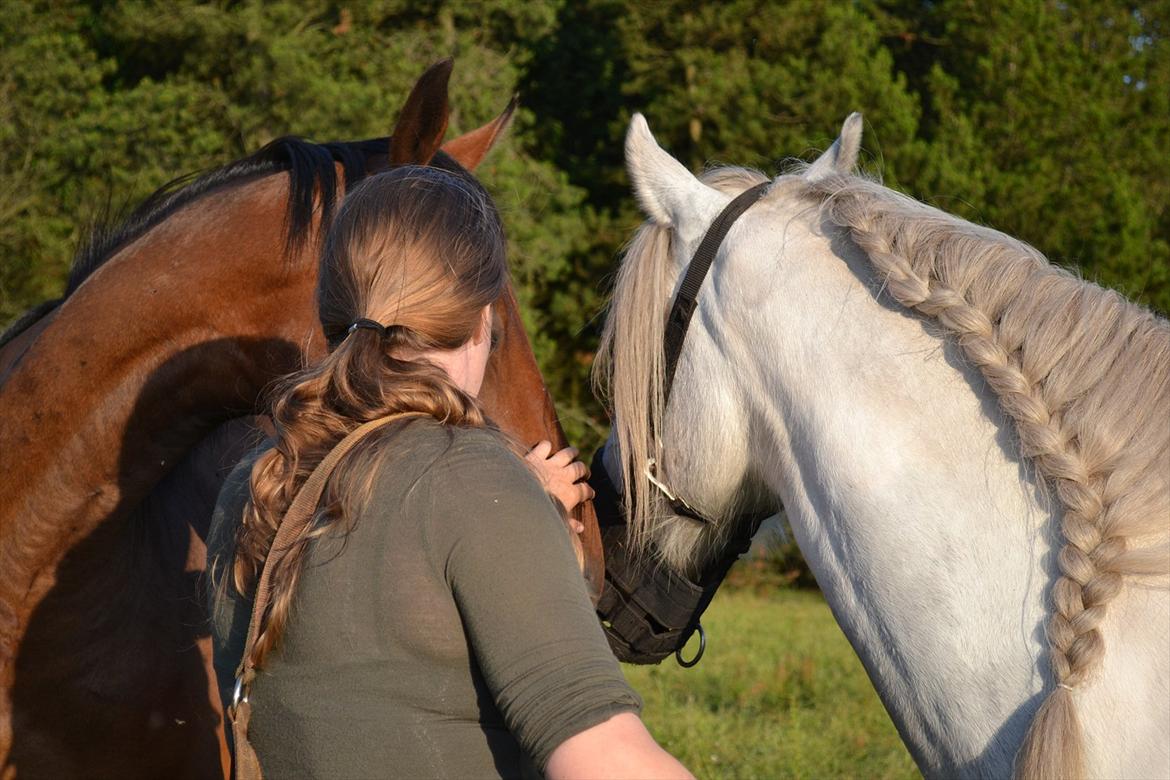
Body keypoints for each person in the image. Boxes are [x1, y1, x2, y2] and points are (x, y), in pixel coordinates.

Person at [206, 164, 692, 779]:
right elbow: (605, 759)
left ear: (335, 314)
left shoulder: (253, 484)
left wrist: (522, 513)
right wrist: (505, 505)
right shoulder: (471, 480)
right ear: (485, 317)